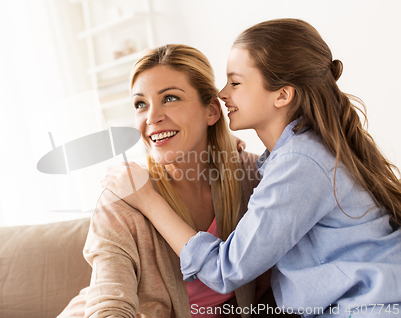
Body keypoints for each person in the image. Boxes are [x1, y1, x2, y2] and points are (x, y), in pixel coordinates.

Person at [102, 19, 401, 317]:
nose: (222, 93)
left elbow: (226, 270)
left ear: (282, 95)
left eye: (235, 82)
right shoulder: (294, 156)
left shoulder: (299, 163)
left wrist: (150, 202)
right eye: (139, 104)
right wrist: (210, 144)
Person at [59, 44, 272, 318]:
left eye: (170, 98)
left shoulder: (253, 178)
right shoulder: (121, 200)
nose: (152, 117)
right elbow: (108, 305)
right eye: (140, 104)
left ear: (211, 112)